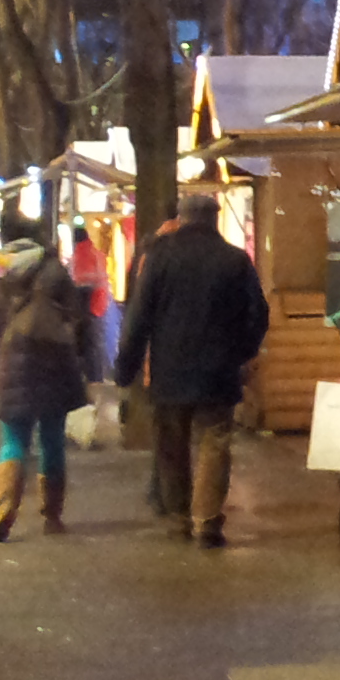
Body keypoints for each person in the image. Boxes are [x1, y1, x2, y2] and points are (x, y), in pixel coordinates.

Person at [110, 193, 268, 548]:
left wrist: (126, 367)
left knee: (171, 445)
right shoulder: (235, 260)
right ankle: (207, 518)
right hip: (219, 369)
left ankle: (179, 517)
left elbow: (139, 316)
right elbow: (257, 315)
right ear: (213, 220)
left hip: (170, 368)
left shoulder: (160, 257)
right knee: (215, 442)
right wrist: (241, 352)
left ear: (181, 218)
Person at [0, 218, 89, 540]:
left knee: (13, 438)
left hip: (12, 361)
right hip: (53, 360)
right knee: (52, 437)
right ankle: (52, 514)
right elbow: (76, 316)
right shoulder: (53, 270)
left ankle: (6, 504)